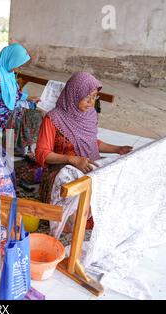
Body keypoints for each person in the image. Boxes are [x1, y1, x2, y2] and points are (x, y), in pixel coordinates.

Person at [35, 72, 132, 234]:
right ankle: (70, 220)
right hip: (59, 171)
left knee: (111, 177)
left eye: (94, 97)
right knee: (72, 185)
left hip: (83, 165)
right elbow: (41, 153)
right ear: (74, 94)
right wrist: (72, 160)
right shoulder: (53, 118)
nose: (91, 102)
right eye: (87, 97)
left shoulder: (90, 116)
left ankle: (87, 215)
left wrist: (117, 149)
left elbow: (91, 142)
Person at [0, 43, 42, 155]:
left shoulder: (7, 71)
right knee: (33, 117)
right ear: (11, 58)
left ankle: (28, 147)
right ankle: (21, 148)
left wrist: (29, 98)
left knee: (35, 107)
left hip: (7, 107)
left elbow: (12, 93)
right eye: (17, 64)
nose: (17, 68)